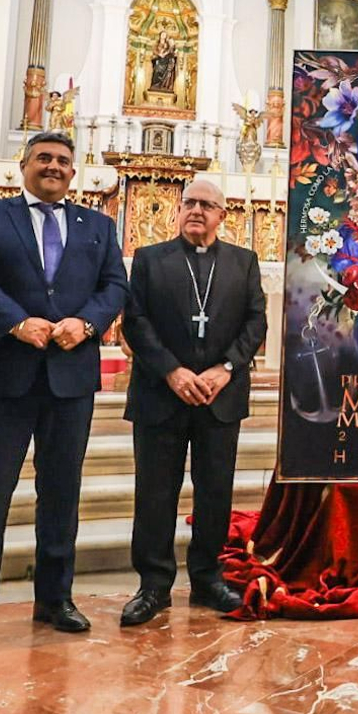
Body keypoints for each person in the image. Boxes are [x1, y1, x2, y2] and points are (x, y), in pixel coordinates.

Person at [0, 131, 128, 657]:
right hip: (2, 375)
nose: (54, 167)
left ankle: (55, 599)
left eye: (63, 161)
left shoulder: (98, 225)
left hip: (69, 377)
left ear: (75, 172)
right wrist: (16, 322)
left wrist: (87, 324)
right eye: (43, 158)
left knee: (62, 494)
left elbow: (114, 286)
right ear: (23, 166)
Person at [118, 178, 267, 623]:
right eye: (189, 203)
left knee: (215, 492)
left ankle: (207, 578)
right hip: (160, 394)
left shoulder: (243, 262)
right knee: (155, 492)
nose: (197, 211)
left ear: (224, 215)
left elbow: (256, 321)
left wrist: (225, 369)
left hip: (220, 396)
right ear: (177, 210)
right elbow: (136, 321)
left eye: (207, 205)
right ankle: (153, 585)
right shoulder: (150, 260)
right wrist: (172, 370)